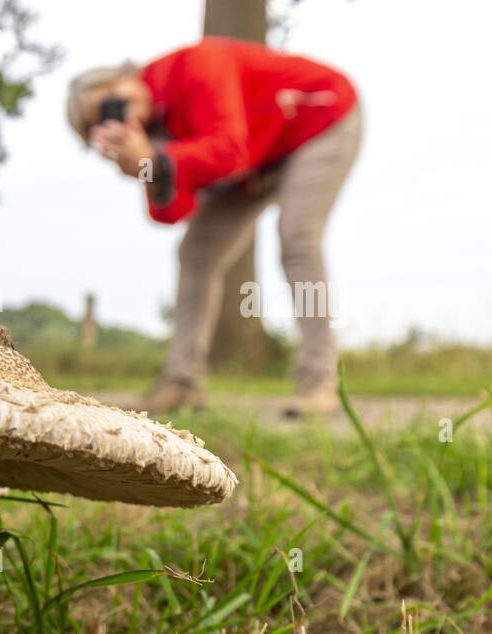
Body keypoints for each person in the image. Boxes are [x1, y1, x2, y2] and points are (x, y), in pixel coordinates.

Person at [67, 38, 361, 414]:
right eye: (103, 125)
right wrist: (147, 165)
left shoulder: (196, 65)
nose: (118, 121)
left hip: (319, 120)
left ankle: (320, 381)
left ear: (123, 77)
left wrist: (157, 159)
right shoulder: (152, 131)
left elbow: (229, 148)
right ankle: (182, 381)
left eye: (111, 106)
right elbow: (172, 213)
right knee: (197, 251)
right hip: (254, 161)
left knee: (297, 238)